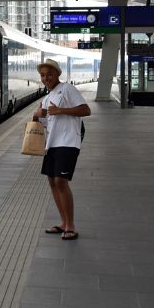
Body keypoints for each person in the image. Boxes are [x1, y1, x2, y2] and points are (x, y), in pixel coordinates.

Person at [33, 59, 91, 241]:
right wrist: (36, 116)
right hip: (52, 143)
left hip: (68, 142)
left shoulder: (67, 89)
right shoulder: (46, 98)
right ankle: (63, 223)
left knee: (60, 181)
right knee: (52, 182)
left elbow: (86, 110)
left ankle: (71, 225)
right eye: (43, 75)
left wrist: (61, 110)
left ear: (57, 74)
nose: (46, 78)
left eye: (49, 74)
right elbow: (44, 122)